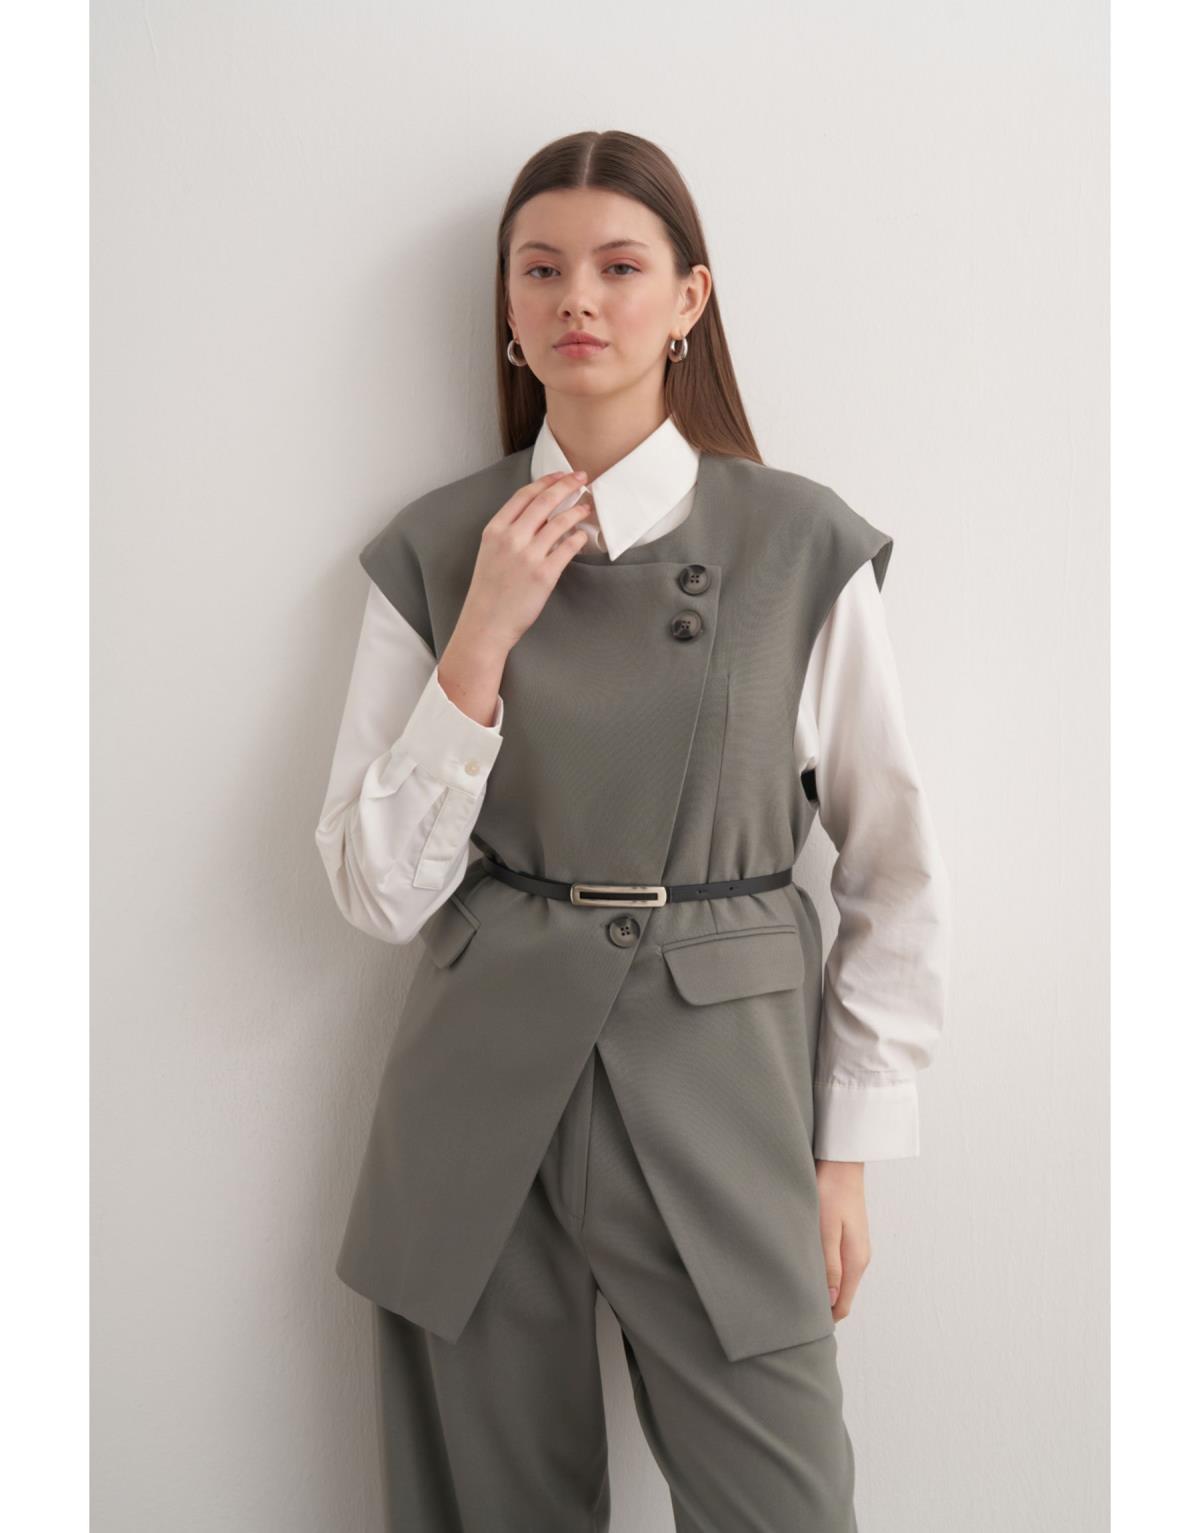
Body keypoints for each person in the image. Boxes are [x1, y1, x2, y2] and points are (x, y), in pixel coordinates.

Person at [314, 129, 951, 1533]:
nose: (578, 301)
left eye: (619, 267)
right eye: (541, 270)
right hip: (478, 1088)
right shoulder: (435, 548)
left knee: (785, 1504)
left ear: (688, 301)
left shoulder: (801, 545)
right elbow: (375, 888)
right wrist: (483, 632)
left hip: (726, 1085)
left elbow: (893, 866)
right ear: (508, 305)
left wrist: (846, 1150)